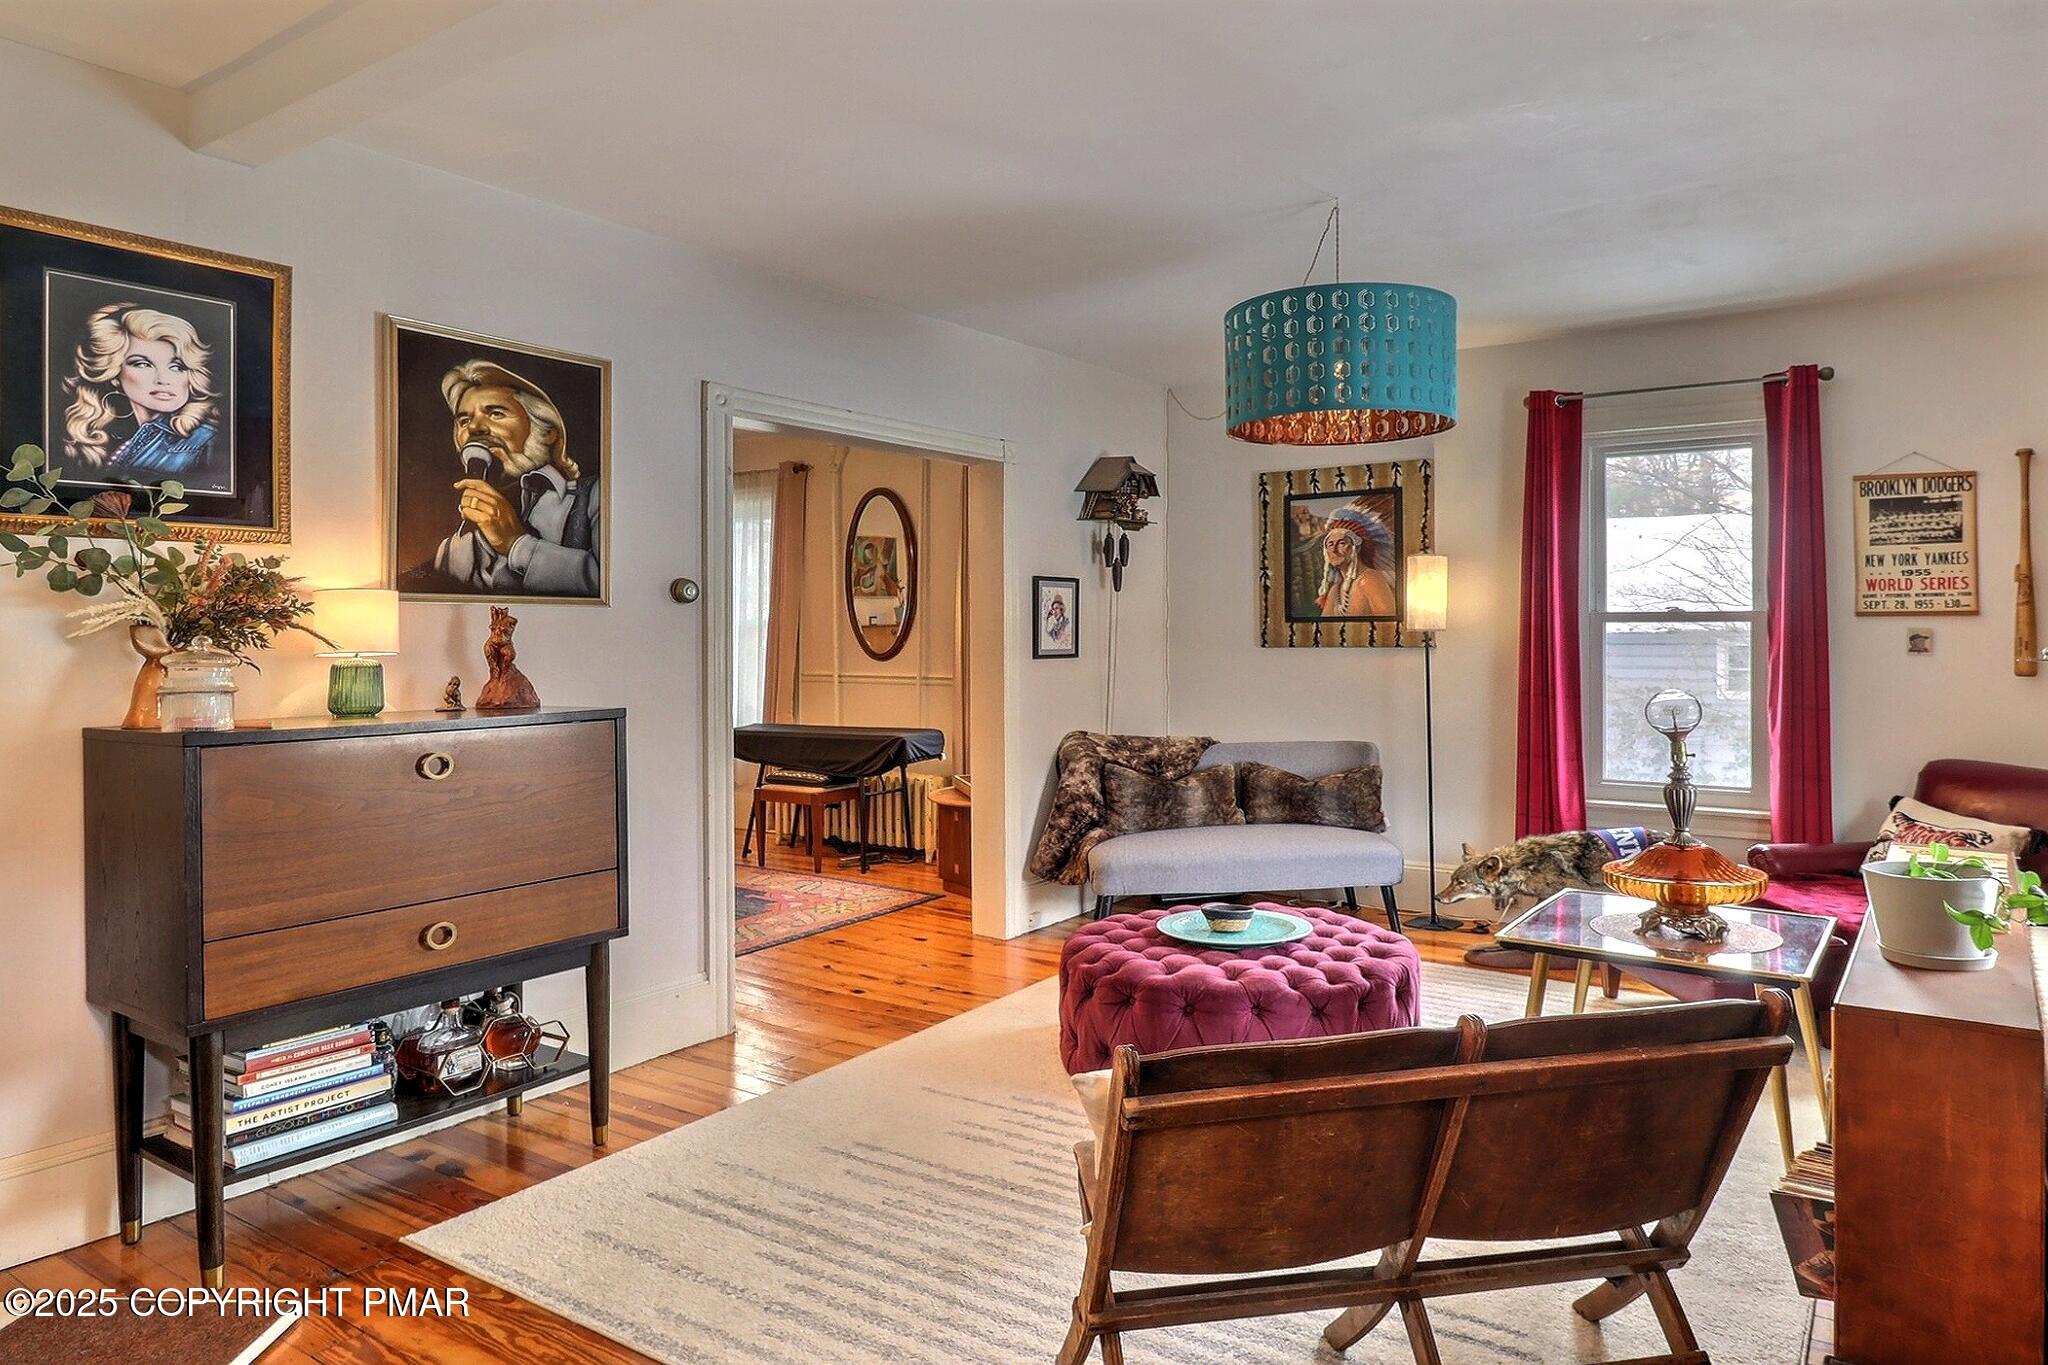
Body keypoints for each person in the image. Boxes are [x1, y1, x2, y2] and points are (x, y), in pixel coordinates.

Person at [433, 360, 601, 597]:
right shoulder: (452, 548)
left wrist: (516, 544)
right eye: (464, 421)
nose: (475, 428)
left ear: (547, 432)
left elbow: (614, 585)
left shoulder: (595, 496)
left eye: (496, 413)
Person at [61, 303, 220, 482]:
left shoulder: (206, 441)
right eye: (142, 364)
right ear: (114, 374)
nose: (163, 379)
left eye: (177, 366)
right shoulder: (113, 437)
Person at [1315, 501, 1397, 618]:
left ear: (1356, 548)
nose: (1334, 549)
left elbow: (1388, 625)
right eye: (1330, 544)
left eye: (1341, 543)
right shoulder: (1335, 590)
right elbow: (1324, 628)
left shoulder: (1369, 580)